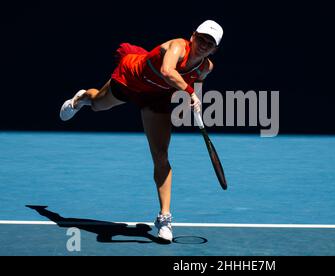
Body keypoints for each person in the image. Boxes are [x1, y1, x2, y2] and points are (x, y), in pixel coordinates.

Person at [59, 20, 224, 242]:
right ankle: (81, 99)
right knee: (98, 104)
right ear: (192, 35)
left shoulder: (206, 68)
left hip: (157, 97)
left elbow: (190, 83)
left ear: (215, 49)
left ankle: (164, 218)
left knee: (161, 156)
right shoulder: (177, 46)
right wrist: (190, 92)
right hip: (132, 79)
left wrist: (190, 99)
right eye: (202, 38)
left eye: (210, 43)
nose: (204, 44)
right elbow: (167, 71)